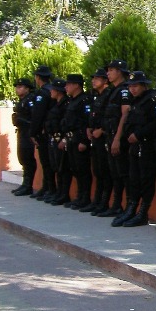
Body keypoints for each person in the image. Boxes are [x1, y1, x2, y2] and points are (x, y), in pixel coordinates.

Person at [114, 71, 156, 228]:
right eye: (130, 86)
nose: (132, 89)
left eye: (135, 86)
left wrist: (139, 134)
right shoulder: (136, 101)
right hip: (135, 147)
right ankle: (131, 208)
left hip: (147, 146)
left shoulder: (153, 100)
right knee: (133, 179)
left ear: (143, 85)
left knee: (146, 180)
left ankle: (143, 212)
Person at [97, 60, 131, 219]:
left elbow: (125, 114)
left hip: (120, 138)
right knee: (114, 173)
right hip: (109, 136)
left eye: (111, 70)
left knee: (123, 173)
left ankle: (125, 207)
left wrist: (117, 138)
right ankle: (116, 205)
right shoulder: (113, 91)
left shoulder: (124, 90)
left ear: (120, 72)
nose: (108, 73)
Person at [59, 73, 93, 209]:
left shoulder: (85, 100)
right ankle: (79, 196)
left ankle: (85, 198)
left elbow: (86, 122)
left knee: (82, 169)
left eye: (68, 84)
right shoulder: (71, 100)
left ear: (77, 85)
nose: (66, 87)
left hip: (80, 139)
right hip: (71, 139)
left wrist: (84, 141)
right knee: (75, 169)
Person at [84, 69, 113, 215]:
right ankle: (97, 201)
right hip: (95, 137)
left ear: (105, 81)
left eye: (97, 78)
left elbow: (111, 116)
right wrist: (90, 127)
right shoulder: (96, 95)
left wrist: (101, 130)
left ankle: (104, 203)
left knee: (104, 171)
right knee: (97, 170)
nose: (93, 81)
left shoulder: (109, 94)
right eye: (93, 78)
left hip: (104, 137)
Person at [29, 65, 55, 200]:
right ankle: (47, 187)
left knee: (46, 162)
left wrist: (33, 132)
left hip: (45, 131)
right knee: (49, 162)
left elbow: (38, 114)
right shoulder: (52, 90)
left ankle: (50, 189)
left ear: (38, 78)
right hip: (51, 130)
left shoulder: (42, 93)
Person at [43, 78, 70, 206]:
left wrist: (64, 139)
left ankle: (64, 194)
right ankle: (59, 192)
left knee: (63, 168)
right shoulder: (56, 104)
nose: (51, 92)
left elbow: (66, 124)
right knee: (56, 167)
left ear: (59, 91)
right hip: (53, 138)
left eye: (53, 90)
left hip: (61, 139)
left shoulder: (65, 104)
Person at [11, 77, 37, 196]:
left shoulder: (30, 100)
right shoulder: (21, 101)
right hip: (21, 132)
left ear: (27, 89)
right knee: (22, 157)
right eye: (17, 87)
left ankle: (28, 185)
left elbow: (35, 119)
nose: (18, 89)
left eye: (21, 87)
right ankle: (25, 183)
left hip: (28, 133)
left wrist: (23, 121)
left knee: (27, 158)